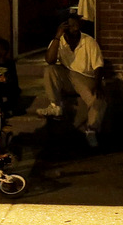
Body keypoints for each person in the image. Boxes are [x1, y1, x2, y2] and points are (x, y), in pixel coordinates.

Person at [39, 15, 107, 147]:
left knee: (98, 100)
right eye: (70, 26)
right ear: (64, 27)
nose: (74, 29)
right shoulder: (59, 41)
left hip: (85, 77)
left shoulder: (89, 41)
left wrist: (98, 85)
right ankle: (55, 106)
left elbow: (98, 66)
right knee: (50, 69)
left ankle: (91, 130)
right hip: (68, 75)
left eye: (76, 25)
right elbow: (50, 60)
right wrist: (57, 37)